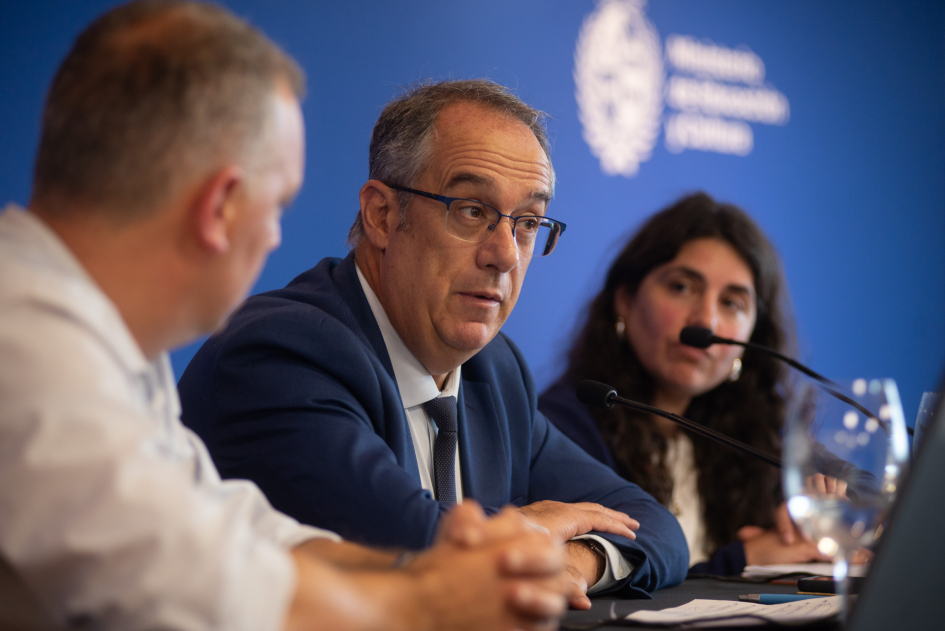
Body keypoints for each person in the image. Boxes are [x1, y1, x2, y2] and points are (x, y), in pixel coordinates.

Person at [0, 2, 571, 630]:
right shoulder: (29, 354)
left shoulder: (96, 341)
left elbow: (231, 529)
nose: (276, 238)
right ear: (220, 207)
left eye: (527, 224)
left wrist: (420, 572)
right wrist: (429, 601)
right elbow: (180, 584)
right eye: (279, 205)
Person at [177, 79, 690, 607]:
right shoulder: (282, 352)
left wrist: (576, 559)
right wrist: (532, 529)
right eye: (471, 210)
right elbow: (414, 544)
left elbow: (651, 526)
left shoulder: (497, 372)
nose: (506, 255)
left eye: (528, 222)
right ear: (382, 215)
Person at [538, 193, 828, 576]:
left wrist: (801, 534)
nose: (705, 322)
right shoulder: (562, 427)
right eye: (681, 287)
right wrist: (742, 562)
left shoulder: (758, 441)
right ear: (625, 300)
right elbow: (611, 583)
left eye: (732, 303)